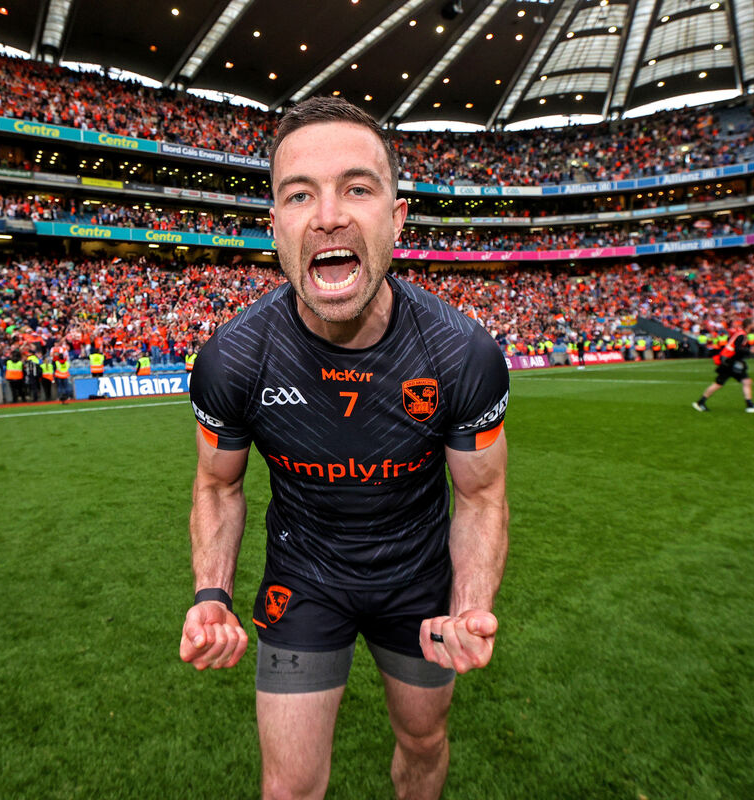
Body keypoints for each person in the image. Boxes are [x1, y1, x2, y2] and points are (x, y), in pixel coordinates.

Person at [180, 97, 509, 800]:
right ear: (276, 228)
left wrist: (469, 603)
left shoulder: (461, 353)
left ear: (396, 217)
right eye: (300, 195)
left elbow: (481, 495)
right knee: (289, 785)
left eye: (357, 188)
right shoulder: (234, 359)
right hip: (304, 580)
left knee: (423, 741)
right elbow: (218, 486)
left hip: (418, 586)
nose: (329, 215)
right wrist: (211, 594)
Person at [693, 327, 754, 413]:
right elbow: (737, 349)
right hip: (730, 363)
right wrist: (749, 352)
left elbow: (737, 348)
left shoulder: (740, 334)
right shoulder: (741, 335)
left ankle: (750, 405)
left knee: (745, 381)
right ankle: (700, 402)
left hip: (730, 362)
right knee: (720, 383)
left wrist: (752, 351)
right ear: (749, 325)